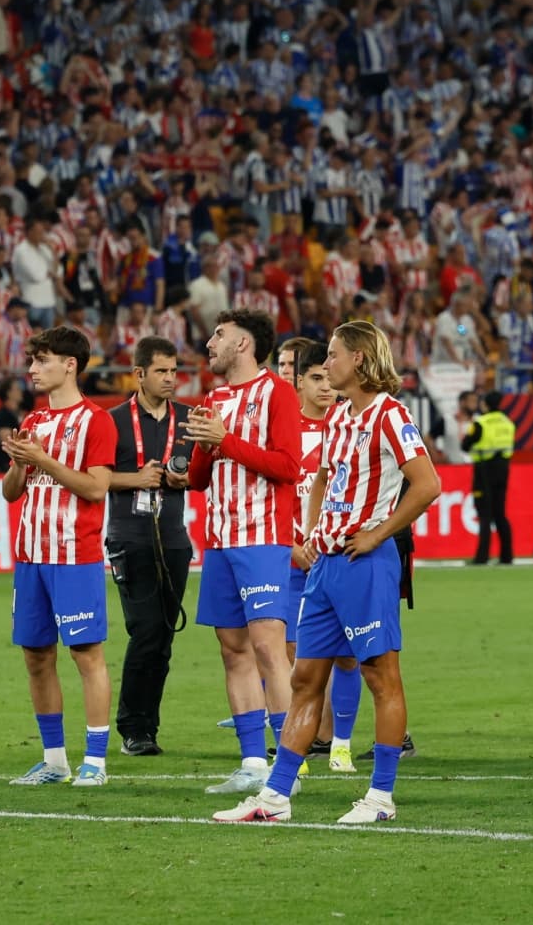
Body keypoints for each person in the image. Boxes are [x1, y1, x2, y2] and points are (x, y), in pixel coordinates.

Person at [212, 320, 441, 826]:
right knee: (305, 679)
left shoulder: (390, 415)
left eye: (334, 355)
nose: (325, 364)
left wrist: (378, 534)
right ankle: (275, 798)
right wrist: (313, 531)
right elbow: (317, 479)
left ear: (358, 359)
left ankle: (380, 798)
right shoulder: (339, 417)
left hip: (366, 565)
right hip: (327, 566)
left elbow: (427, 485)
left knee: (382, 678)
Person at [185, 308, 304, 797]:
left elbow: (288, 465)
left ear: (244, 344)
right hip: (219, 541)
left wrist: (225, 440)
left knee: (267, 650)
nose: (209, 342)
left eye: (219, 335)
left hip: (262, 539)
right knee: (232, 651)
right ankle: (253, 762)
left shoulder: (278, 392)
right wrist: (204, 445)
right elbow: (196, 480)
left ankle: (287, 770)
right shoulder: (213, 399)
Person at [0, 325, 117, 787]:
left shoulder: (96, 420)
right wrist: (20, 463)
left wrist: (43, 460)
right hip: (31, 555)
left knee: (86, 654)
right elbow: (12, 493)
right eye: (32, 361)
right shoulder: (32, 423)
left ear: (70, 365)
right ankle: (54, 760)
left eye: (41, 361)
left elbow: (96, 487)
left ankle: (96, 761)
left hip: (75, 555)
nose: (32, 369)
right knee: (36, 655)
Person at [278, 335, 363, 772]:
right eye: (314, 377)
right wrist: (295, 544)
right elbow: (274, 496)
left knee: (348, 654)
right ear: (297, 381)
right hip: (294, 558)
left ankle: (341, 746)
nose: (324, 386)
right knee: (293, 657)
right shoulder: (284, 429)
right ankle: (298, 742)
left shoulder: (350, 425)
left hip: (338, 556)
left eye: (327, 375)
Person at [105, 335, 192, 758]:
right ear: (138, 374)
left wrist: (185, 479)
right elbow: (93, 477)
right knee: (145, 630)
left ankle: (147, 726)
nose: (171, 379)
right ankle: (132, 726)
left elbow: (203, 473)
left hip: (174, 539)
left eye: (174, 371)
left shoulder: (190, 419)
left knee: (163, 638)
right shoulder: (113, 421)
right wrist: (135, 478)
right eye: (162, 371)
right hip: (130, 537)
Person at [463, 391, 516, 565]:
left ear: (485, 404)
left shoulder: (481, 423)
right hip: (503, 470)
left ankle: (482, 557)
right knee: (500, 514)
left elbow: (465, 445)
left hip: (484, 471)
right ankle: (507, 557)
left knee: (485, 515)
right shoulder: (508, 423)